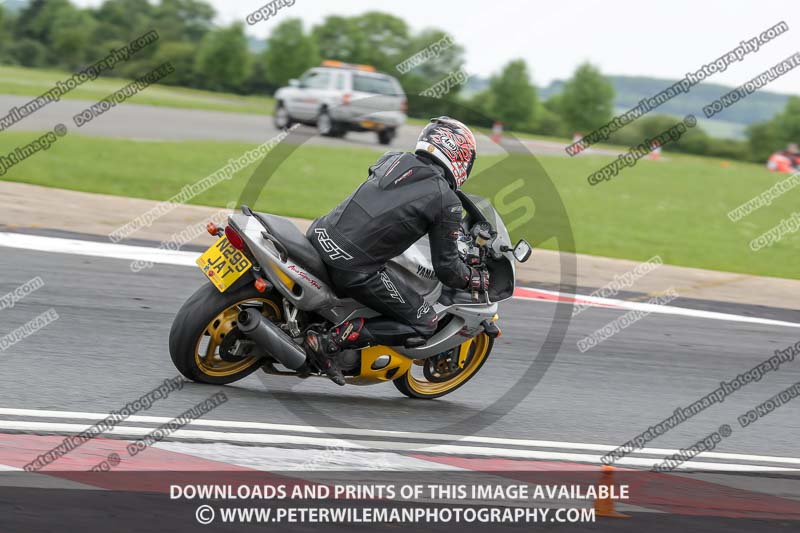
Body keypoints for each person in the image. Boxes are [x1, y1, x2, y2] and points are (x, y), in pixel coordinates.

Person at [305, 117, 489, 385]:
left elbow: (391, 204)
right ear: (459, 156)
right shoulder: (446, 200)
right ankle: (331, 341)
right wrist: (474, 278)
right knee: (425, 321)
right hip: (354, 268)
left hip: (320, 234)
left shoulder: (391, 159)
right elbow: (448, 269)